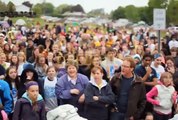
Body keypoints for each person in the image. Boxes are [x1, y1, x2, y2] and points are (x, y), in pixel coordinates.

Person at [135, 53, 158, 118]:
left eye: (149, 60)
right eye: (146, 60)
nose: (148, 62)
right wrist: (147, 74)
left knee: (149, 113)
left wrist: (144, 82)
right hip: (140, 95)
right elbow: (139, 82)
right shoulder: (138, 69)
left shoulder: (153, 70)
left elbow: (155, 83)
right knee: (141, 113)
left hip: (150, 95)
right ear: (143, 60)